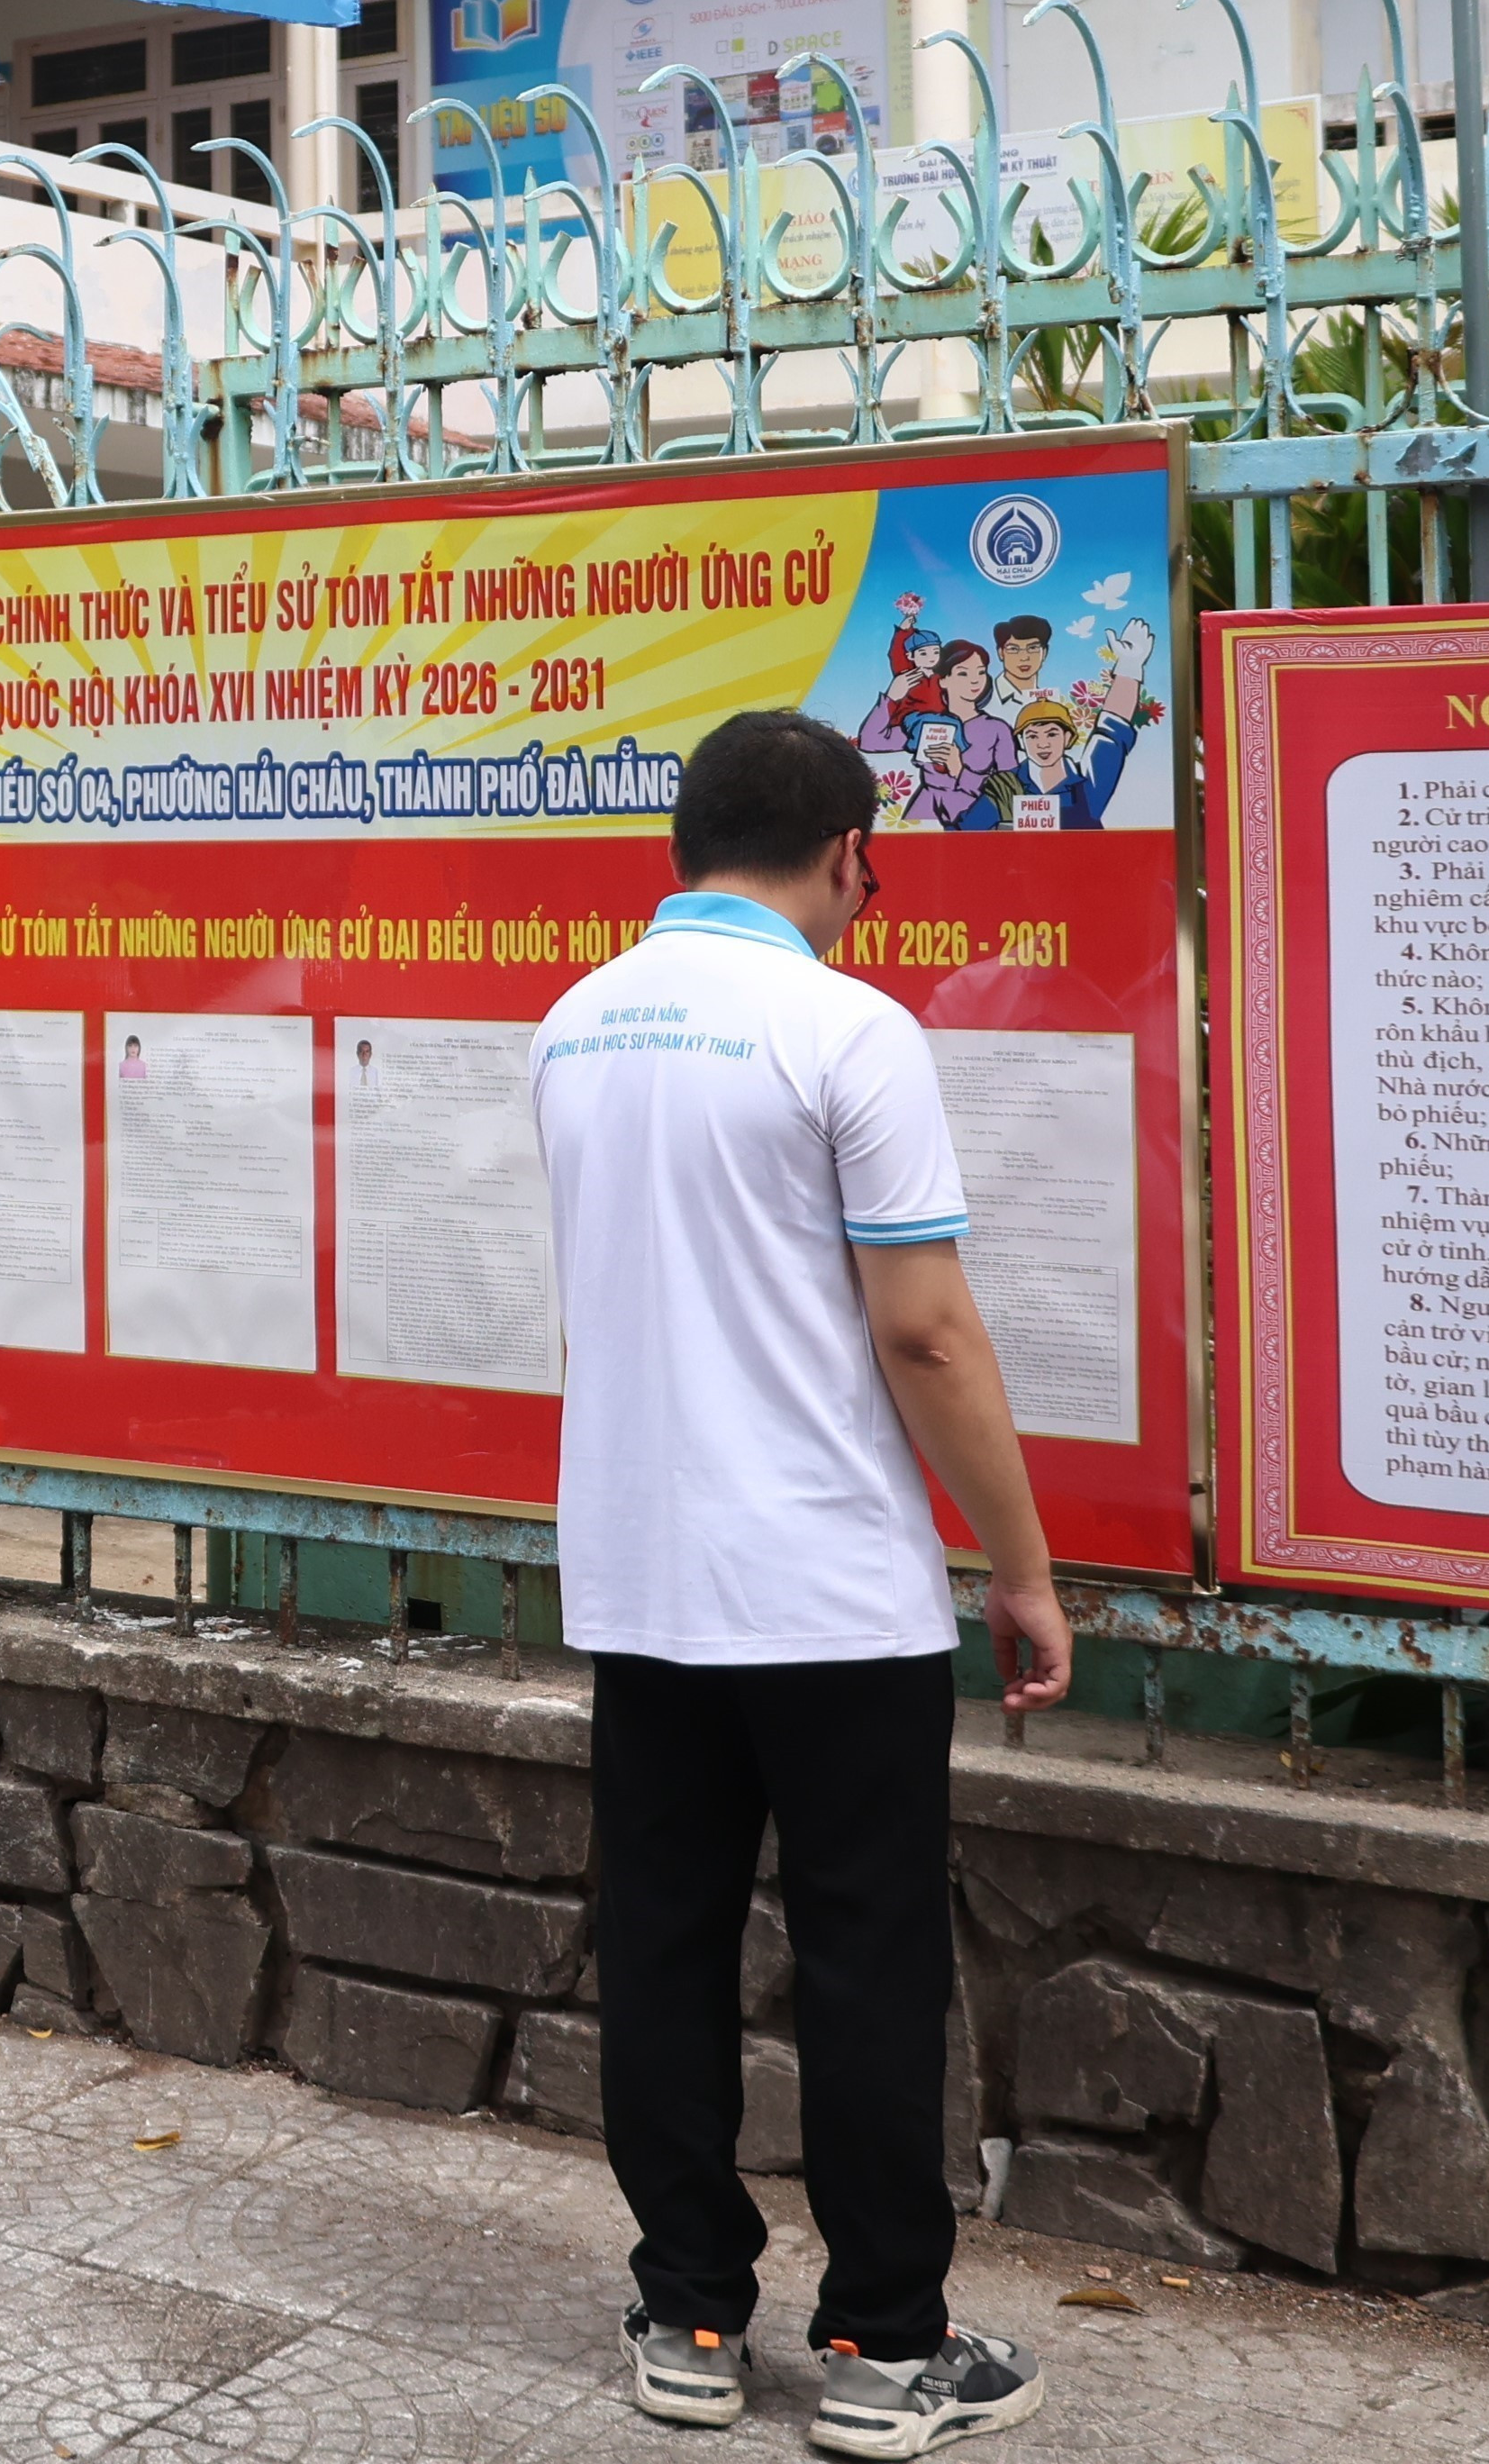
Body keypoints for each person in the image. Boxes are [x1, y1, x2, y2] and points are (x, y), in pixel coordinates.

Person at [534, 709, 1072, 2453]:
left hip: (643, 1579)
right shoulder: (852, 1029)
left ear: (686, 847)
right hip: (833, 1593)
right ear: (848, 852)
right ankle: (881, 2347)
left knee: (667, 1949)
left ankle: (689, 2307)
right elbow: (920, 1327)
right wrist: (1024, 1564)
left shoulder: (572, 1026)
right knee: (863, 1959)